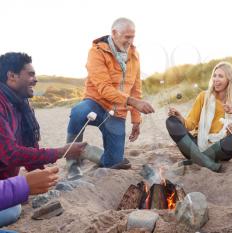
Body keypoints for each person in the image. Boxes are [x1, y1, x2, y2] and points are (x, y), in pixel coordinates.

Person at [0, 52, 86, 227]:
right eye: (30, 74)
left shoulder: (21, 105)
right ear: (11, 76)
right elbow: (10, 154)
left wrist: (48, 178)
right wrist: (62, 152)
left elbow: (28, 150)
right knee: (12, 210)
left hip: (7, 184)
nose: (35, 79)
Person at [66, 17, 155, 180]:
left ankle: (84, 150)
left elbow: (136, 88)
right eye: (127, 36)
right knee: (78, 112)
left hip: (119, 111)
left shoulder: (135, 55)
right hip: (96, 103)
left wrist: (136, 120)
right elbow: (104, 88)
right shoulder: (97, 52)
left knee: (113, 162)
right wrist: (134, 103)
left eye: (133, 36)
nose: (130, 41)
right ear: (114, 33)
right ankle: (73, 164)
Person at [166, 61, 232, 172]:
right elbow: (190, 124)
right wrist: (180, 117)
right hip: (197, 145)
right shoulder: (204, 96)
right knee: (171, 121)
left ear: (229, 80)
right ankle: (208, 163)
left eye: (220, 76)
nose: (216, 79)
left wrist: (230, 131)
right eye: (214, 75)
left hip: (220, 149)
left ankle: (198, 159)